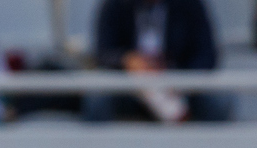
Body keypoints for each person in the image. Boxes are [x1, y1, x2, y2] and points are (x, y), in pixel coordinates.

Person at [85, 0, 231, 123]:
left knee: (218, 101)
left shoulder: (190, 5)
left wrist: (179, 81)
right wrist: (127, 60)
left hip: (179, 85)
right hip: (130, 86)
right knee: (98, 98)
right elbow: (102, 53)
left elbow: (207, 54)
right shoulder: (114, 5)